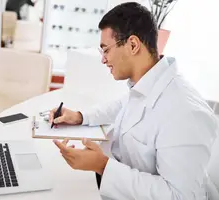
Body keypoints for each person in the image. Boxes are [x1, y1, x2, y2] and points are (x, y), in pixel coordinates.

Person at [49, 2, 218, 200]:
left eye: (106, 50)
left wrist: (102, 165)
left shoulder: (185, 112)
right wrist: (79, 116)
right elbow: (121, 105)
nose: (103, 59)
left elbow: (179, 196)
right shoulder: (147, 85)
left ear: (133, 45)